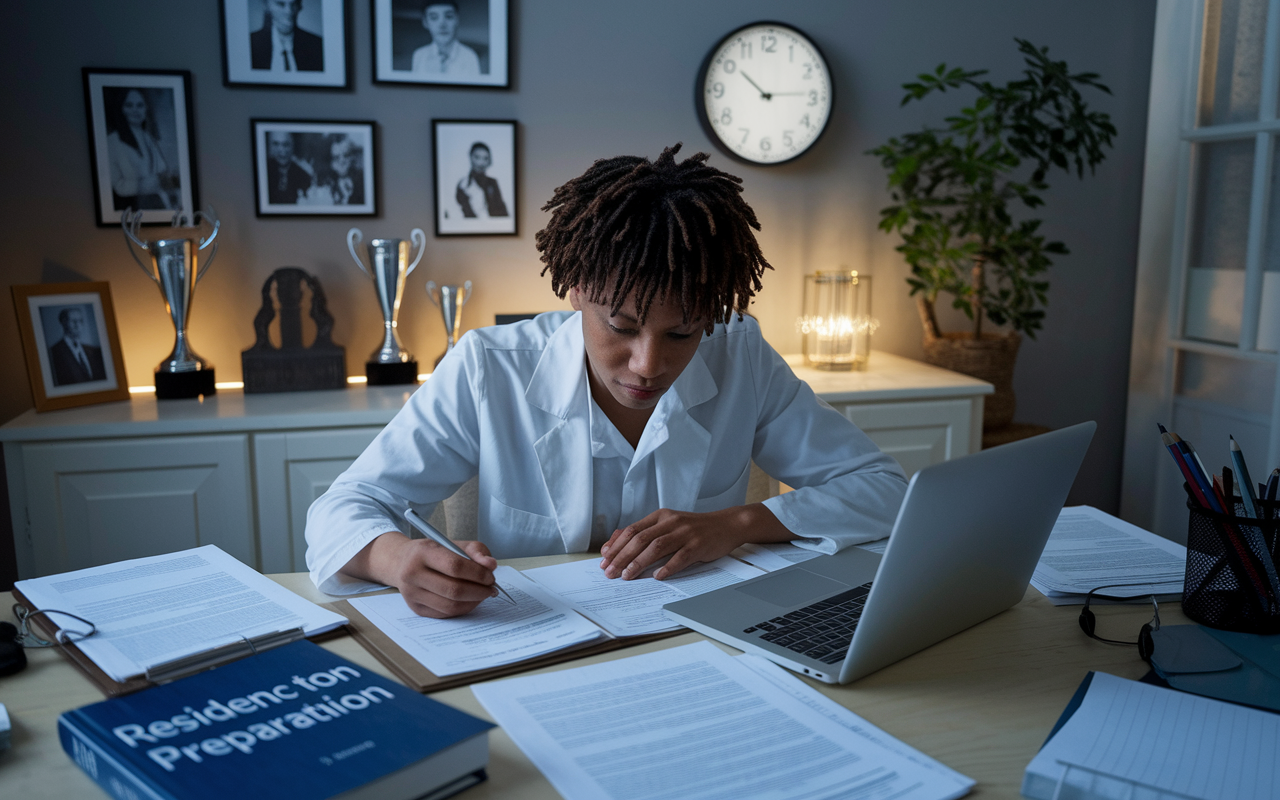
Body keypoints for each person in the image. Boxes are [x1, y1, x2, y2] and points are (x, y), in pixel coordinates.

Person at [305, 144, 908, 618]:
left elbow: (884, 489)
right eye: (620, 325)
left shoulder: (741, 354)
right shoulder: (489, 365)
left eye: (683, 333)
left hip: (697, 637)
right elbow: (345, 507)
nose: (648, 364)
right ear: (575, 290)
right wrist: (398, 558)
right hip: (528, 644)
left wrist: (735, 524)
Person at [106, 88, 176, 211]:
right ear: (121, 109)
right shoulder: (113, 142)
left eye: (140, 105)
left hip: (160, 205)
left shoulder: (148, 138)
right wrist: (146, 184)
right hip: (131, 208)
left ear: (145, 108)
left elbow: (162, 171)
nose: (135, 110)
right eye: (129, 105)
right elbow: (117, 186)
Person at [410, 1, 481, 76]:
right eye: (434, 18)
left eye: (449, 16)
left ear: (457, 19)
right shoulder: (419, 56)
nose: (442, 24)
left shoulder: (469, 57)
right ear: (425, 22)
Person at [250, 0, 324, 72]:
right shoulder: (251, 44)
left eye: (293, 4)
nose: (288, 11)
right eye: (280, 4)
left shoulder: (317, 46)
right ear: (267, 5)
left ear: (299, 6)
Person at [48, 307, 106, 386]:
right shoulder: (54, 352)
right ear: (63, 322)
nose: (77, 325)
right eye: (73, 321)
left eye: (80, 321)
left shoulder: (93, 351)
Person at [455, 142, 507, 218]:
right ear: (471, 157)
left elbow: (502, 211)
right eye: (477, 157)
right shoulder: (464, 185)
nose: (481, 163)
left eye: (485, 158)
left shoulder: (492, 183)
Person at [265, 131, 314, 204]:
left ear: (293, 146)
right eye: (276, 144)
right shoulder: (264, 172)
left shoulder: (304, 176)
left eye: (286, 145)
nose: (281, 150)